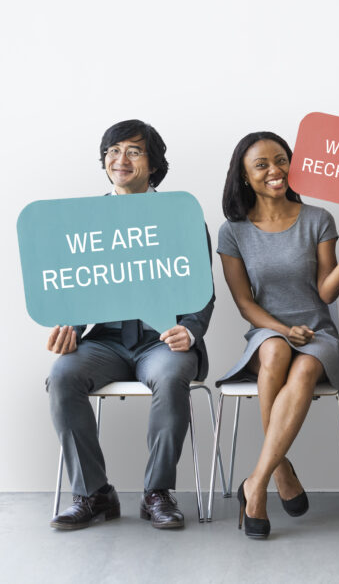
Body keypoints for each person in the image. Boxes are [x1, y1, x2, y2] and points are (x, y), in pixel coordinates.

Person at [46, 119, 215, 530]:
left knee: (172, 375)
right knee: (62, 375)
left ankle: (157, 493)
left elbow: (204, 291)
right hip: (103, 341)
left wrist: (190, 331)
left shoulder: (182, 217)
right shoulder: (87, 220)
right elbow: (76, 285)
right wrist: (67, 326)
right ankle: (94, 493)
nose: (120, 159)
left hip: (162, 341)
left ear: (154, 165)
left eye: (134, 151)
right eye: (113, 150)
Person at [217, 131, 339, 539]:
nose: (275, 170)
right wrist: (285, 329)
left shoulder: (318, 219)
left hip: (317, 332)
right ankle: (281, 469)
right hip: (266, 331)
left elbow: (326, 292)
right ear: (245, 176)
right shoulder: (232, 230)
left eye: (281, 159)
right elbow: (244, 303)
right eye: (262, 164)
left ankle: (257, 483)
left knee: (303, 371)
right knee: (274, 353)